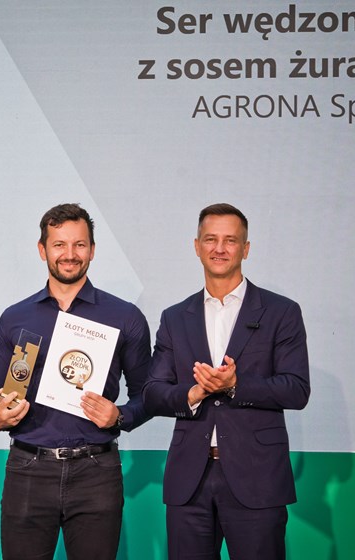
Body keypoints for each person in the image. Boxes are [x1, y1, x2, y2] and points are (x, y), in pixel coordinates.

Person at [0, 203, 152, 560]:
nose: (70, 254)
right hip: (28, 469)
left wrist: (119, 416)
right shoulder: (15, 318)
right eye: (59, 244)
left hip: (97, 471)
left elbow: (147, 395)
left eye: (79, 244)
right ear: (42, 249)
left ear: (92, 249)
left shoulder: (125, 317)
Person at [142, 203, 310, 560]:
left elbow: (296, 389)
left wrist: (235, 385)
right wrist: (193, 393)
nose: (219, 248)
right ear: (197, 246)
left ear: (245, 249)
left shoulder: (282, 312)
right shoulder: (174, 317)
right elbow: (153, 392)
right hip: (189, 481)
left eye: (230, 240)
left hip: (258, 478)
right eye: (211, 239)